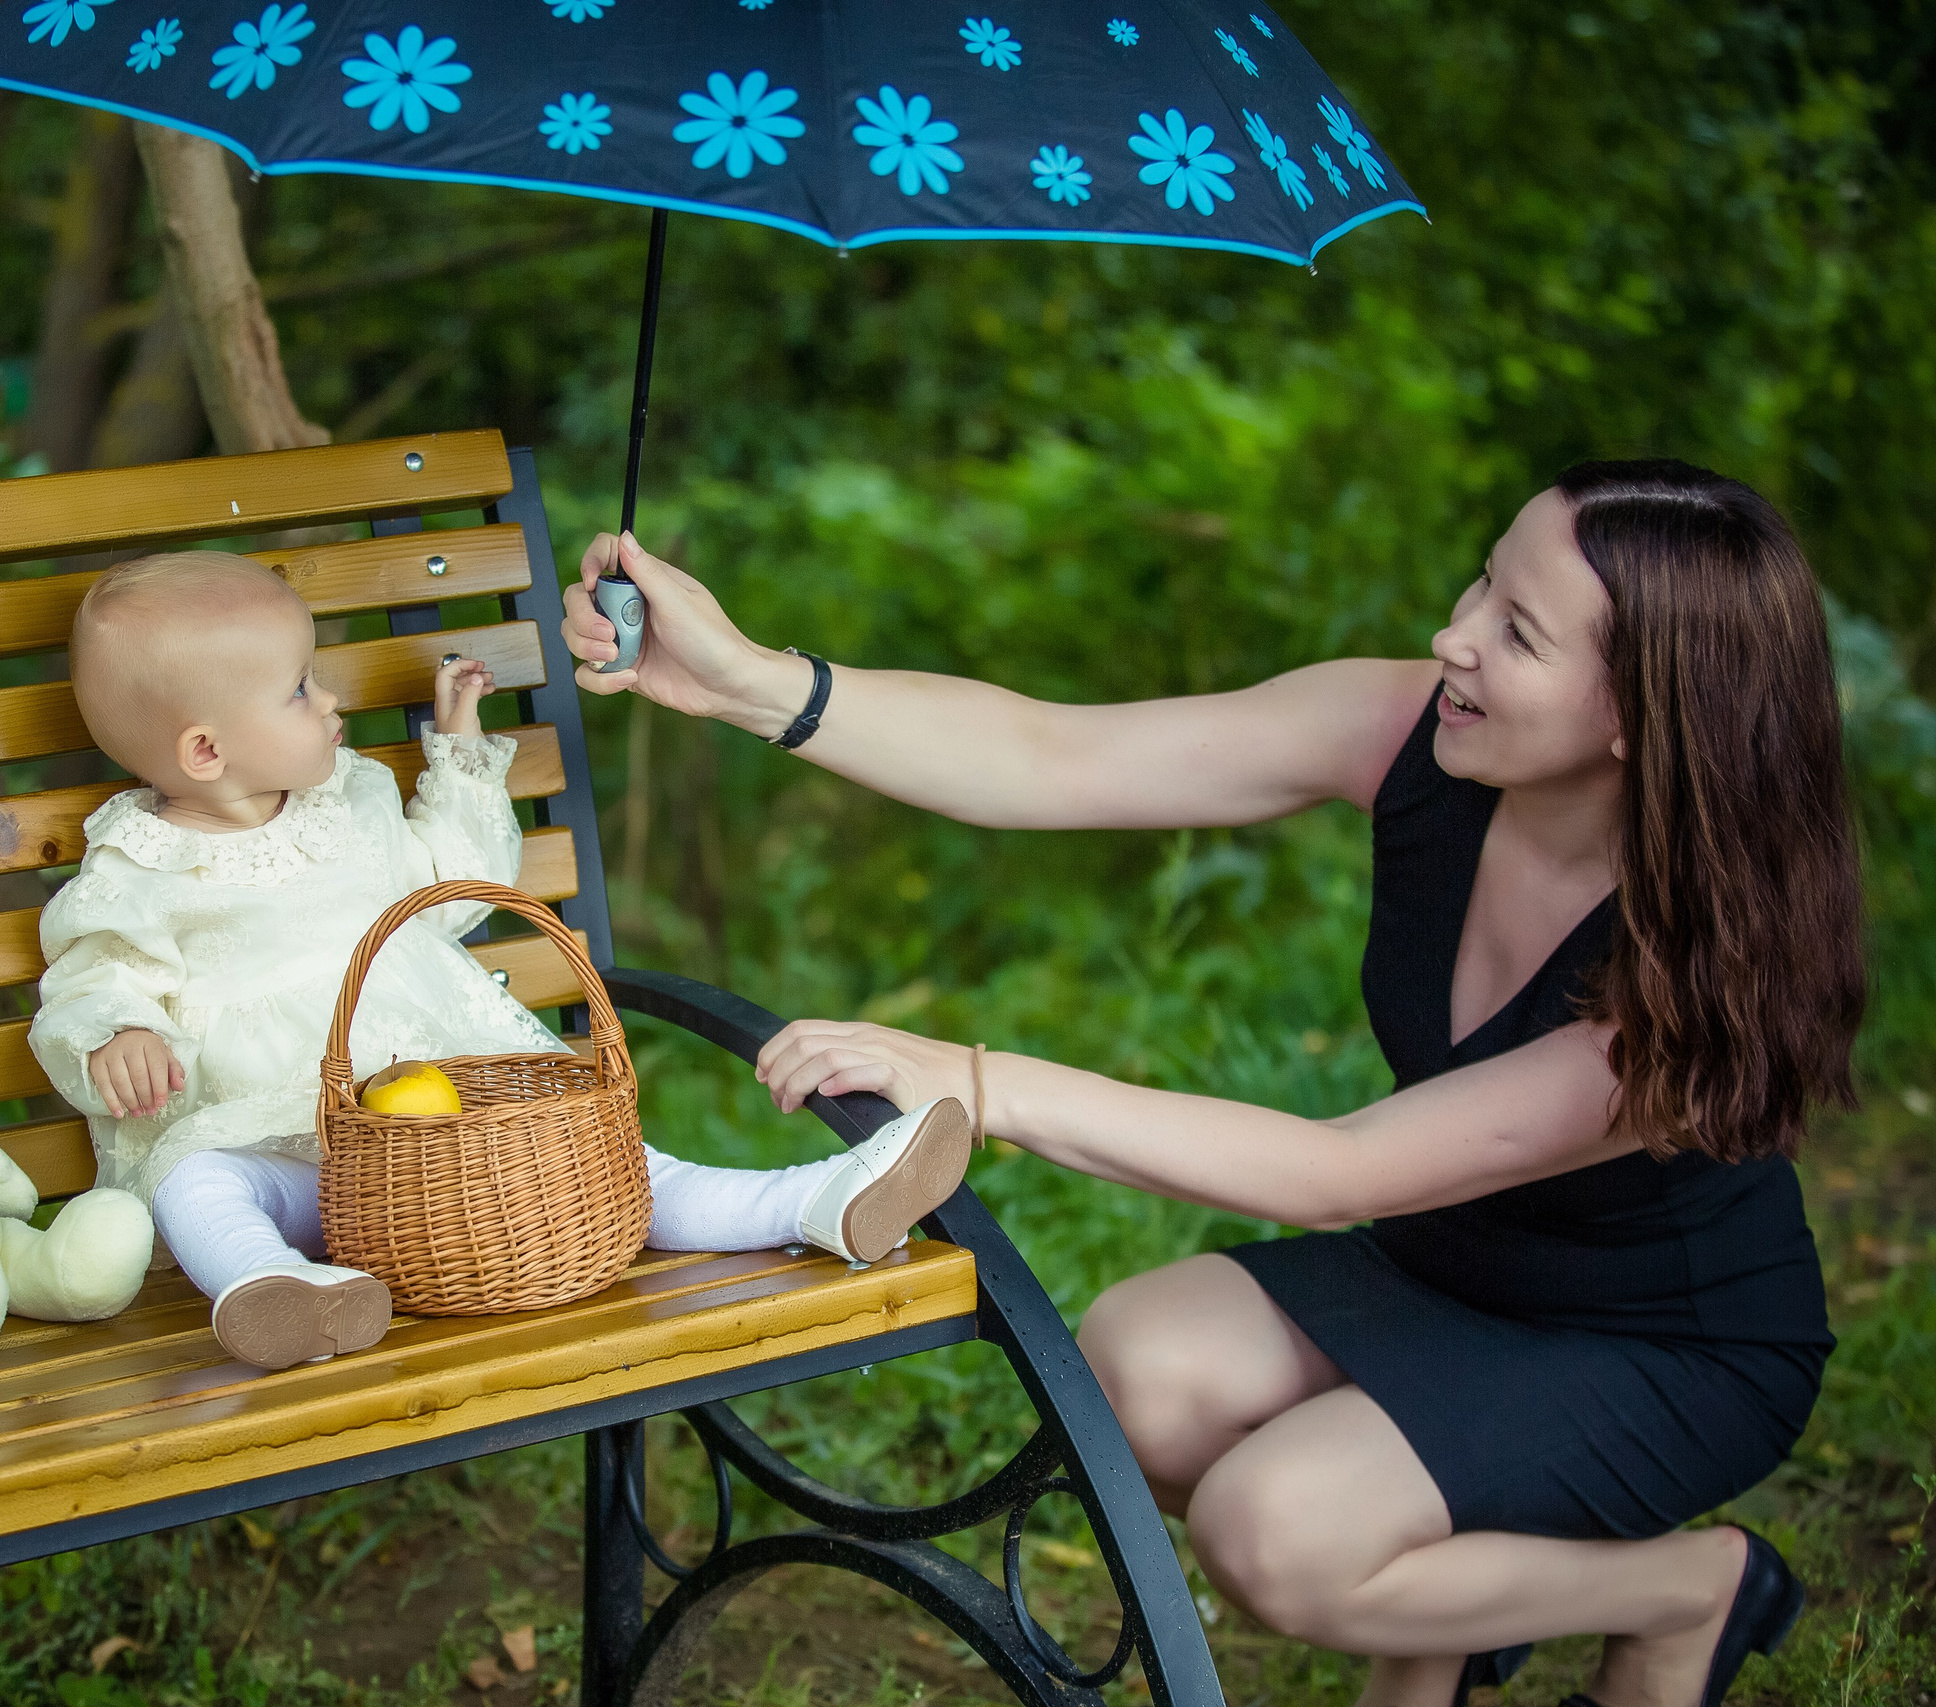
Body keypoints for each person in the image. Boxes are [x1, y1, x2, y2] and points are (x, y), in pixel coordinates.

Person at [560, 461, 1862, 1707]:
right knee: (1139, 1367)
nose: (1453, 633)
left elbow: (1331, 1170)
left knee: (1278, 1528)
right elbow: (1055, 757)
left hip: (1664, 1341)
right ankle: (1449, 1626)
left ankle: (1685, 1591)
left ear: (1643, 712)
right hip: (1447, 1266)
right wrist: (747, 683)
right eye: (1479, 585)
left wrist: (976, 1076)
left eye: (1517, 631)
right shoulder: (1416, 727)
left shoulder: (1685, 979)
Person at [28, 552, 972, 1371]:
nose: (333, 699)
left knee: (618, 1170)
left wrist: (460, 750)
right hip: (291, 1158)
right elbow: (90, 975)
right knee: (196, 1181)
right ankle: (273, 1284)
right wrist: (119, 1033)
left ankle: (816, 1197)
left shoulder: (348, 801)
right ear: (204, 748)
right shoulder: (138, 865)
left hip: (457, 1150)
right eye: (301, 690)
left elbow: (462, 887)